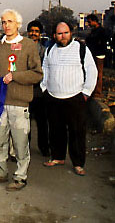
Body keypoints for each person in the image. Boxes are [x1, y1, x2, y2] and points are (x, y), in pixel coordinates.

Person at [0, 9, 42, 191]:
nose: (6, 25)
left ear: (18, 24)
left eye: (10, 21)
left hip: (19, 102)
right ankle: (0, 172)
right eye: (3, 22)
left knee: (20, 143)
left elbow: (37, 74)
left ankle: (20, 177)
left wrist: (15, 76)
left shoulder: (29, 45)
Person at [41, 22, 97, 176]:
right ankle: (58, 157)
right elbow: (44, 69)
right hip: (53, 96)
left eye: (65, 32)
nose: (63, 36)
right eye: (59, 33)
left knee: (77, 132)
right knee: (55, 129)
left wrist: (86, 92)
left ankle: (78, 163)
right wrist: (44, 87)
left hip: (75, 97)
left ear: (70, 33)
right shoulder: (50, 50)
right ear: (54, 36)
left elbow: (92, 70)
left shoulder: (81, 49)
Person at [26, 20, 49, 156]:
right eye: (32, 31)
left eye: (36, 31)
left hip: (39, 91)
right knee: (25, 123)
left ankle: (44, 147)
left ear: (40, 34)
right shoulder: (22, 48)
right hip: (25, 89)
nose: (33, 34)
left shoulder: (45, 51)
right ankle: (24, 148)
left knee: (42, 122)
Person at [85, 14, 108, 99]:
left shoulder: (101, 31)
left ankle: (98, 92)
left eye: (89, 22)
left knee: (98, 73)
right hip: (93, 54)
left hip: (99, 54)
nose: (89, 24)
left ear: (94, 21)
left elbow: (100, 42)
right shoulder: (94, 31)